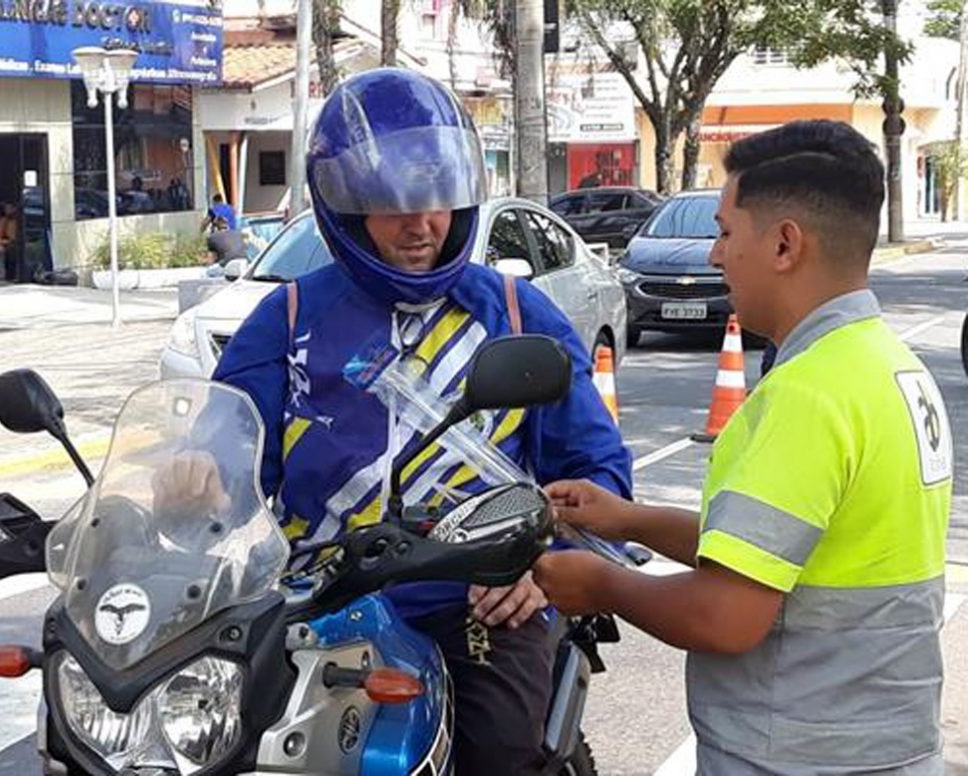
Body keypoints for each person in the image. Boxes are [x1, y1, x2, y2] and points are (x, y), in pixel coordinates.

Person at [210, 68, 633, 773]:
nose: (422, 223)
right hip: (316, 602)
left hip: (473, 599)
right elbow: (226, 456)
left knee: (501, 753)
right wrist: (196, 481)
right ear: (344, 207)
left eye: (437, 199)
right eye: (392, 202)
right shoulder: (285, 321)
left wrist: (543, 566)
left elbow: (597, 475)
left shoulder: (518, 316)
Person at [533, 120, 953, 774]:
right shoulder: (888, 366)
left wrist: (601, 584)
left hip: (796, 753)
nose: (712, 256)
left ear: (785, 244)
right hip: (886, 746)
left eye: (727, 233)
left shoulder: (806, 396)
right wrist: (629, 518)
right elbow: (783, 554)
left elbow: (727, 615)